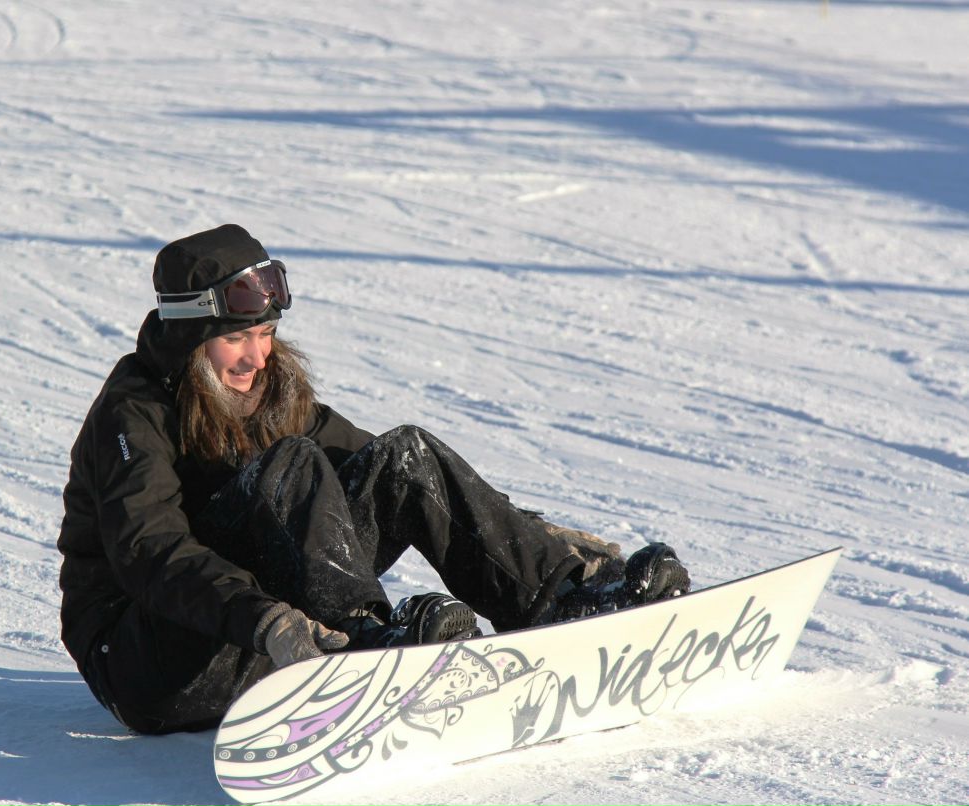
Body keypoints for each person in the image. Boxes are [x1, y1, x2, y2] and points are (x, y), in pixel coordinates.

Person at [56, 224, 690, 734]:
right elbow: (152, 555)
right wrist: (270, 621)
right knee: (293, 464)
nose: (258, 357)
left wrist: (531, 535)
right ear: (191, 334)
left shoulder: (268, 393)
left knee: (404, 455)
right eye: (237, 339)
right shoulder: (134, 412)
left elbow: (389, 471)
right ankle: (361, 653)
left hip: (269, 633)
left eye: (267, 333)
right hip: (146, 660)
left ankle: (557, 601)